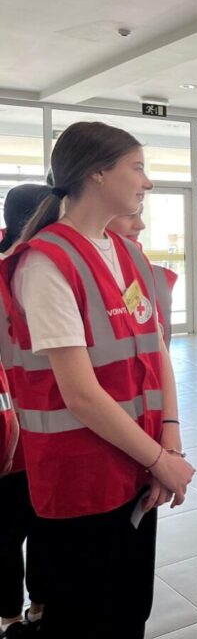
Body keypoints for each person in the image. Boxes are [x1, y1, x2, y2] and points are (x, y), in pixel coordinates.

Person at [0, 122, 195, 638]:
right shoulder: (46, 262)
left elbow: (155, 350)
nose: (147, 182)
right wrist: (159, 460)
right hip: (82, 478)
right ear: (97, 173)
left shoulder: (127, 253)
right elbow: (81, 394)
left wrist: (169, 441)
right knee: (89, 619)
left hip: (136, 463)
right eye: (138, 167)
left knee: (131, 609)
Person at [0, 184, 50, 638]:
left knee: (32, 524)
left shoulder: (43, 268)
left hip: (39, 429)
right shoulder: (25, 271)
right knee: (19, 524)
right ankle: (18, 614)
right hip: (16, 433)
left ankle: (29, 610)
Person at [106, 205, 178, 346]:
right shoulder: (81, 265)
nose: (140, 225)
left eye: (140, 214)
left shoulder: (137, 261)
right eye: (130, 215)